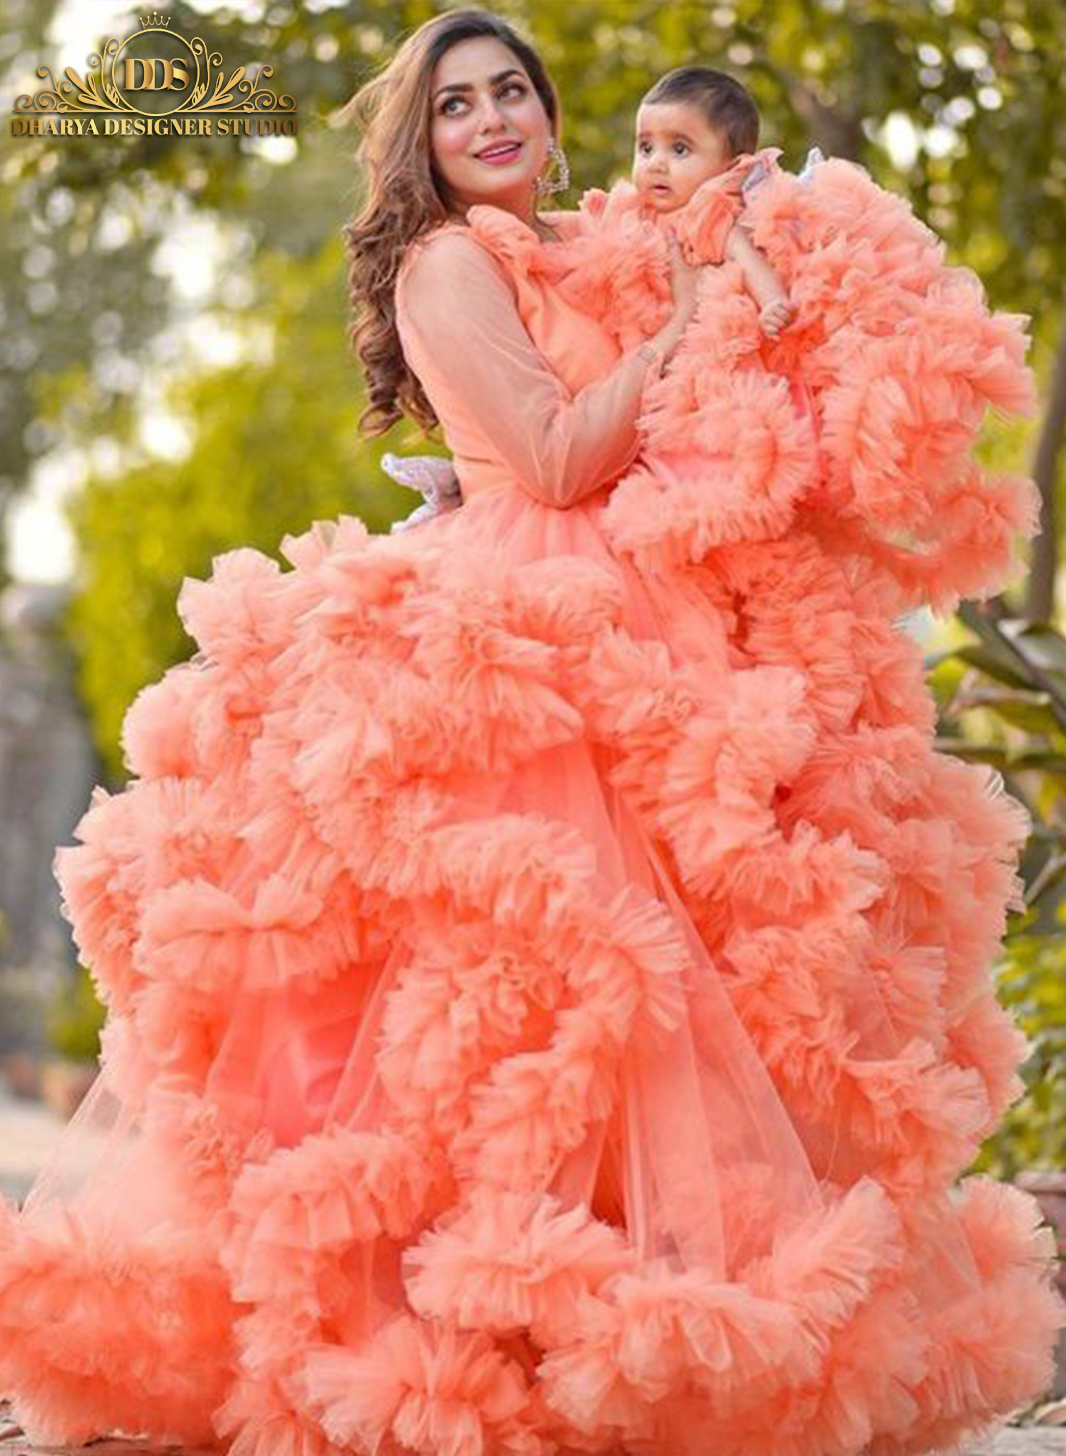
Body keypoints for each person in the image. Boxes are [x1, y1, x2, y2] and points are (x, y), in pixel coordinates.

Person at [0, 13, 1062, 1456]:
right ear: (422, 147)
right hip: (531, 629)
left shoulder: (581, 238)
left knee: (691, 994)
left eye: (512, 93)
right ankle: (477, 1336)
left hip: (642, 603)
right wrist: (683, 324)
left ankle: (624, 1327)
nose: (491, 120)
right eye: (456, 106)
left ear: (554, 117)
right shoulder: (446, 260)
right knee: (529, 987)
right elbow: (558, 455)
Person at [631, 65, 795, 337]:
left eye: (679, 149)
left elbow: (747, 257)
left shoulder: (707, 215)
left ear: (728, 171)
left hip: (700, 337)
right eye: (646, 148)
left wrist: (772, 302)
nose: (656, 163)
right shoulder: (630, 211)